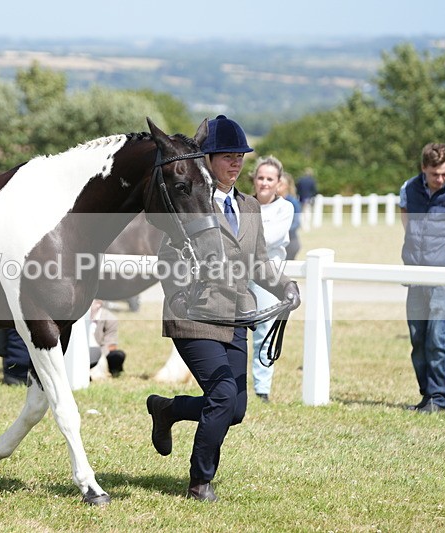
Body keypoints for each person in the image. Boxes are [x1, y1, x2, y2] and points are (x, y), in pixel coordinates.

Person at [146, 115, 300, 502]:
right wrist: (179, 294)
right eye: (227, 156)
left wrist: (286, 286)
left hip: (237, 315)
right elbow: (166, 256)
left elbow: (259, 262)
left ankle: (168, 410)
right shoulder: (190, 199)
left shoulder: (249, 207)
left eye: (240, 156)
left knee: (235, 408)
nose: (236, 163)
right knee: (222, 393)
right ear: (208, 159)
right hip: (194, 316)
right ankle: (199, 482)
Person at [400, 142, 445, 413]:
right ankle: (426, 396)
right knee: (418, 338)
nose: (441, 179)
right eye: (434, 174)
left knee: (438, 337)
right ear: (423, 169)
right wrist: (412, 239)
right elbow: (405, 211)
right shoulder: (409, 188)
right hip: (416, 271)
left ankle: (439, 399)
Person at [249, 157, 295, 402]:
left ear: (278, 183)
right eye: (260, 177)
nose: (264, 183)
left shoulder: (284, 208)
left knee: (264, 330)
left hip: (268, 276)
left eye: (270, 179)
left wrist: (244, 239)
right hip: (240, 272)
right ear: (254, 180)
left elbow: (271, 240)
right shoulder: (243, 204)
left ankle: (261, 388)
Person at [88, 299, 127, 380]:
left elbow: (110, 344)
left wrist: (98, 356)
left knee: (118, 355)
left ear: (98, 304)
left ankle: (112, 371)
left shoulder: (110, 319)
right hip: (82, 351)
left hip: (101, 351)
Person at [278, 172, 302, 260]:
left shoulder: (292, 202)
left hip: (290, 243)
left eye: (281, 183)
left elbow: (296, 223)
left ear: (286, 186)